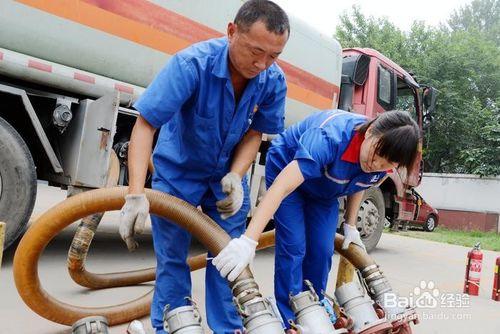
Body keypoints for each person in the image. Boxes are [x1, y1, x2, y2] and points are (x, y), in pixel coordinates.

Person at [118, 1, 290, 333]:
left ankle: (228, 329)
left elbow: (256, 134)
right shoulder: (190, 64)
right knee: (172, 260)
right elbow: (145, 126)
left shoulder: (272, 80)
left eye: (273, 56)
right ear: (231, 31)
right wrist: (135, 193)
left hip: (224, 180)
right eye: (256, 51)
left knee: (228, 258)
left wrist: (236, 176)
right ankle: (173, 326)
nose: (262, 63)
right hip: (177, 174)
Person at [213, 109, 421, 330]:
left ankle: (314, 308)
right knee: (294, 246)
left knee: (322, 250)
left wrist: (350, 225)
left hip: (324, 190)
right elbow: (282, 187)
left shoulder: (383, 165)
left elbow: (360, 183)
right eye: (376, 154)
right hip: (288, 171)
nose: (376, 164)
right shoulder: (330, 138)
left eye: (386, 163)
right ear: (369, 132)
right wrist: (249, 240)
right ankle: (290, 317)